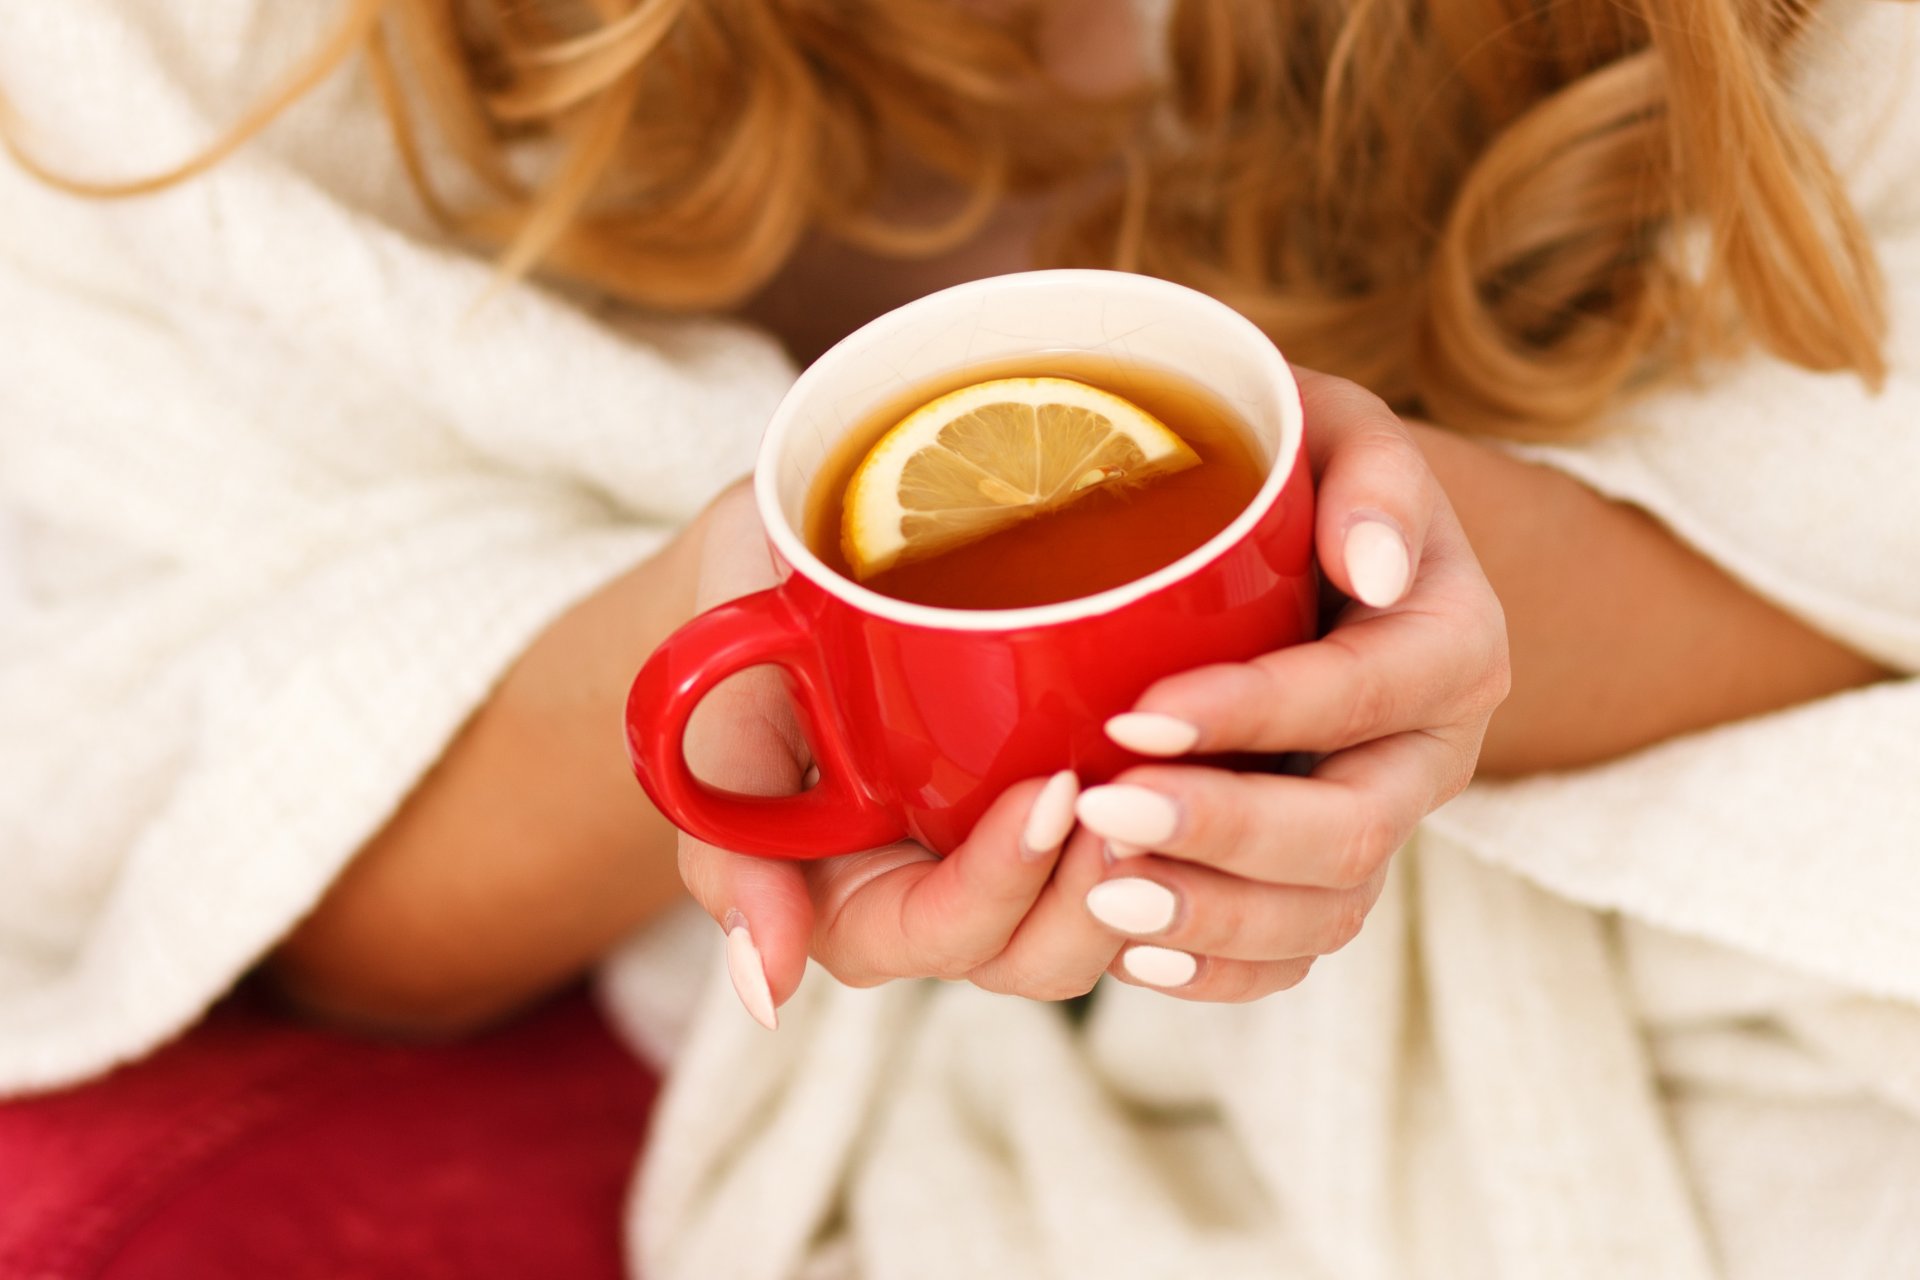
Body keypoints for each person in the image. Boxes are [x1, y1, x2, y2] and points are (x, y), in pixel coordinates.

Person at [0, 1, 1914, 1277]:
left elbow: (1856, 553)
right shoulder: (201, 63)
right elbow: (257, 845)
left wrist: (1391, 598)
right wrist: (766, 673)